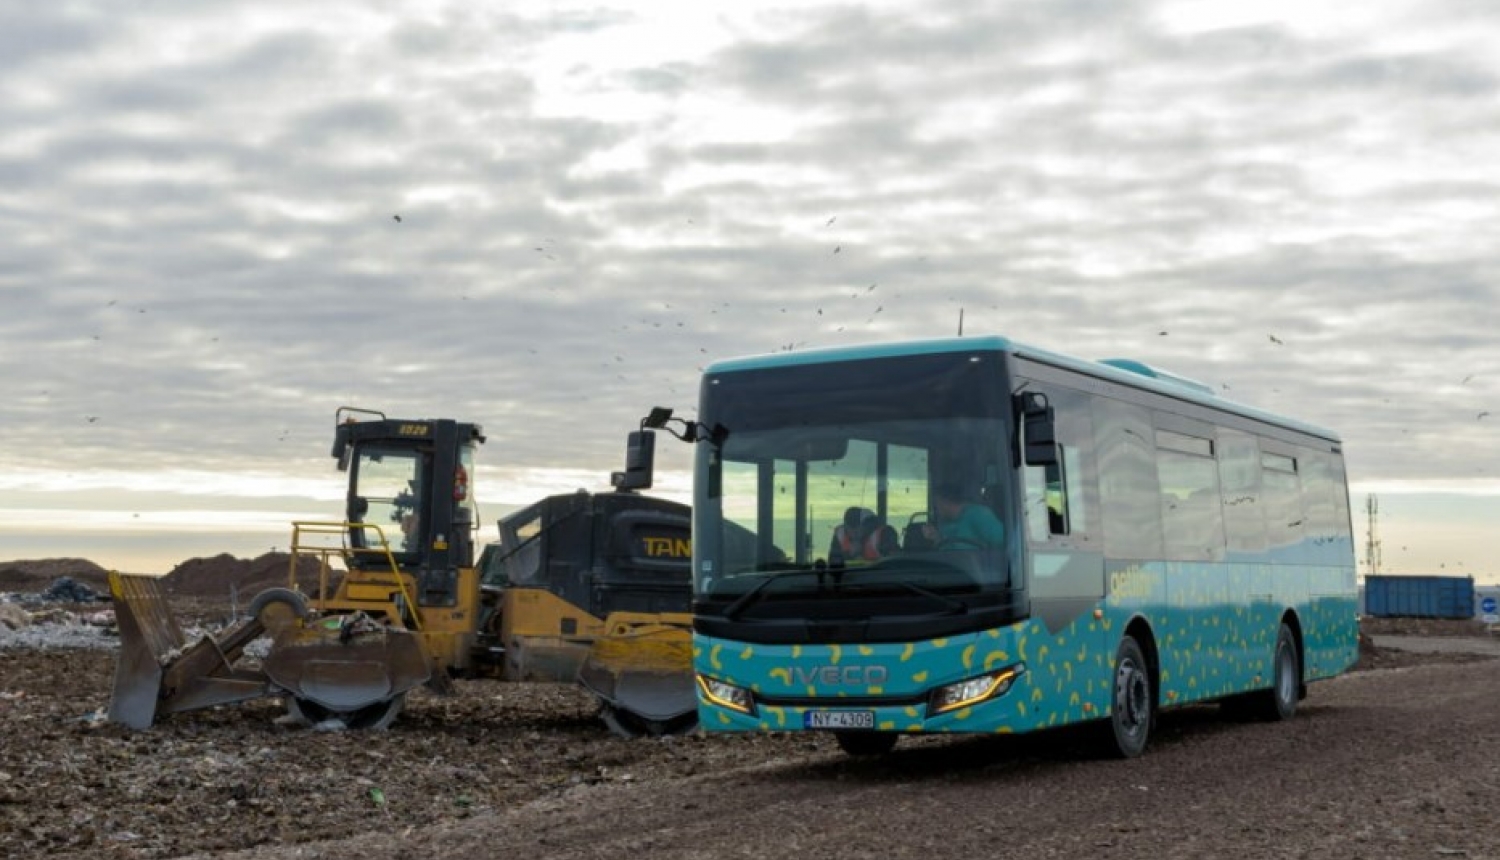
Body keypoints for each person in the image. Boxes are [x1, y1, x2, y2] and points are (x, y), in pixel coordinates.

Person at [924, 482, 1006, 550]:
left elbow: (1004, 541)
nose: (935, 509)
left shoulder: (978, 515)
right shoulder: (945, 522)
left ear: (945, 502)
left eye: (936, 505)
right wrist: (936, 537)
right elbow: (946, 552)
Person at [829, 506, 899, 564]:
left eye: (856, 526)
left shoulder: (885, 534)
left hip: (880, 578)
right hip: (848, 579)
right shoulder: (840, 535)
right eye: (850, 527)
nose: (854, 531)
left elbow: (893, 563)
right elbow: (833, 564)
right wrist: (850, 555)